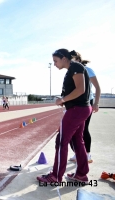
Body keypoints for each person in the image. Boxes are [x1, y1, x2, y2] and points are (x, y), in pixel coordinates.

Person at [37, 49, 92, 183]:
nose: (54, 64)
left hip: (77, 110)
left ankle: (56, 176)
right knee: (77, 141)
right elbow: (77, 91)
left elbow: (81, 89)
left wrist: (63, 100)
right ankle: (81, 174)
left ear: (64, 58)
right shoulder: (72, 69)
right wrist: (65, 100)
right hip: (79, 108)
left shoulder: (76, 67)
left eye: (56, 61)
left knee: (61, 141)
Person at [69, 51, 101, 163]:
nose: (70, 62)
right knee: (75, 130)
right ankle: (77, 153)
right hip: (75, 103)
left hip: (87, 102)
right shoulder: (72, 70)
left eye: (72, 59)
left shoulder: (88, 70)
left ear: (77, 58)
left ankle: (87, 154)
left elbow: (97, 88)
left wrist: (96, 103)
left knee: (84, 128)